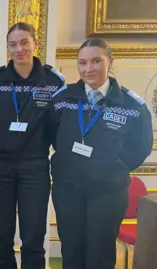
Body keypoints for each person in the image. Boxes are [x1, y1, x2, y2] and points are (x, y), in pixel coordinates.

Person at [50, 38, 153, 269]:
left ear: (110, 61)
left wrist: (115, 164)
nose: (88, 69)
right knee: (72, 251)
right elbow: (49, 133)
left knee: (101, 253)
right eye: (82, 62)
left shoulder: (131, 105)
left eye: (96, 61)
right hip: (68, 189)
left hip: (108, 191)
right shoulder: (63, 99)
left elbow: (142, 145)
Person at [0, 22, 65, 269]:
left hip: (35, 166)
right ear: (8, 48)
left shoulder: (54, 80)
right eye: (13, 44)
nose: (19, 49)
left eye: (24, 42)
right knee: (2, 235)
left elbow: (59, 125)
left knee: (33, 235)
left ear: (35, 43)